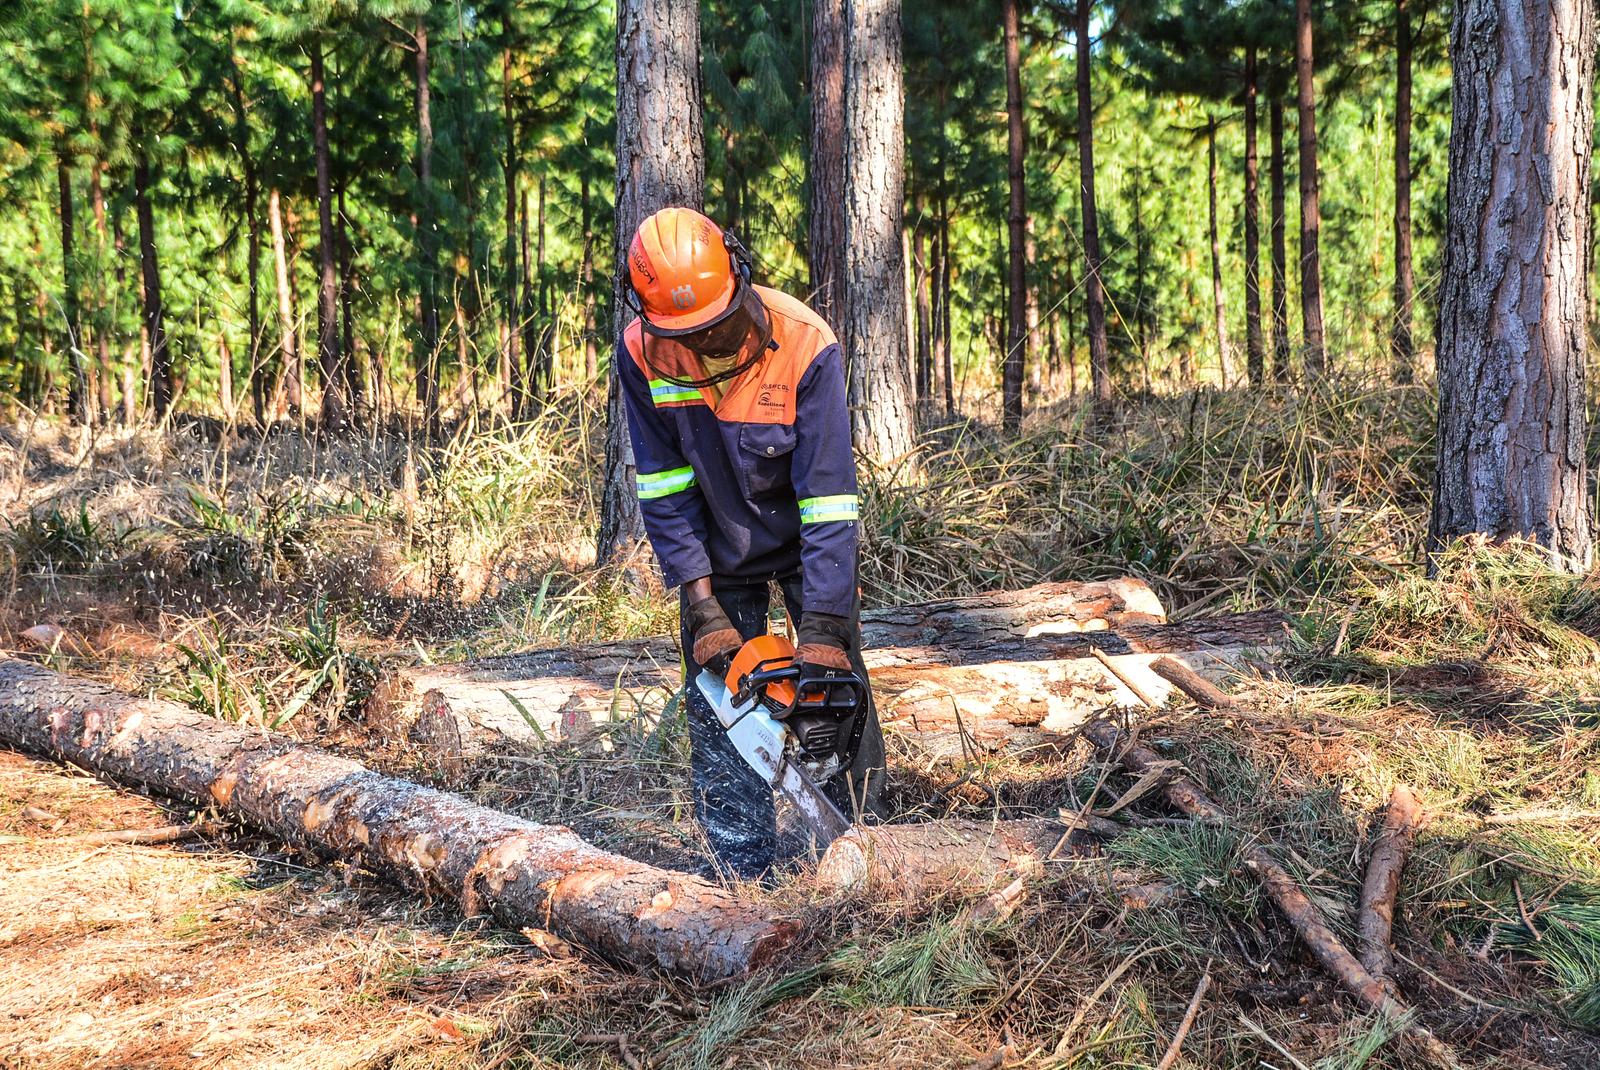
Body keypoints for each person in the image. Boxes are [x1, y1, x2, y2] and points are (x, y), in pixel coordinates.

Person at [618, 205, 885, 879]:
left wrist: (822, 628)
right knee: (721, 706)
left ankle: (868, 846)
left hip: (805, 545)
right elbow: (664, 484)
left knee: (837, 692)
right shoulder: (643, 355)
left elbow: (827, 500)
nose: (707, 344)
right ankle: (738, 867)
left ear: (740, 277)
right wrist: (700, 602)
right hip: (716, 546)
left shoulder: (804, 342)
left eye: (717, 325)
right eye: (690, 333)